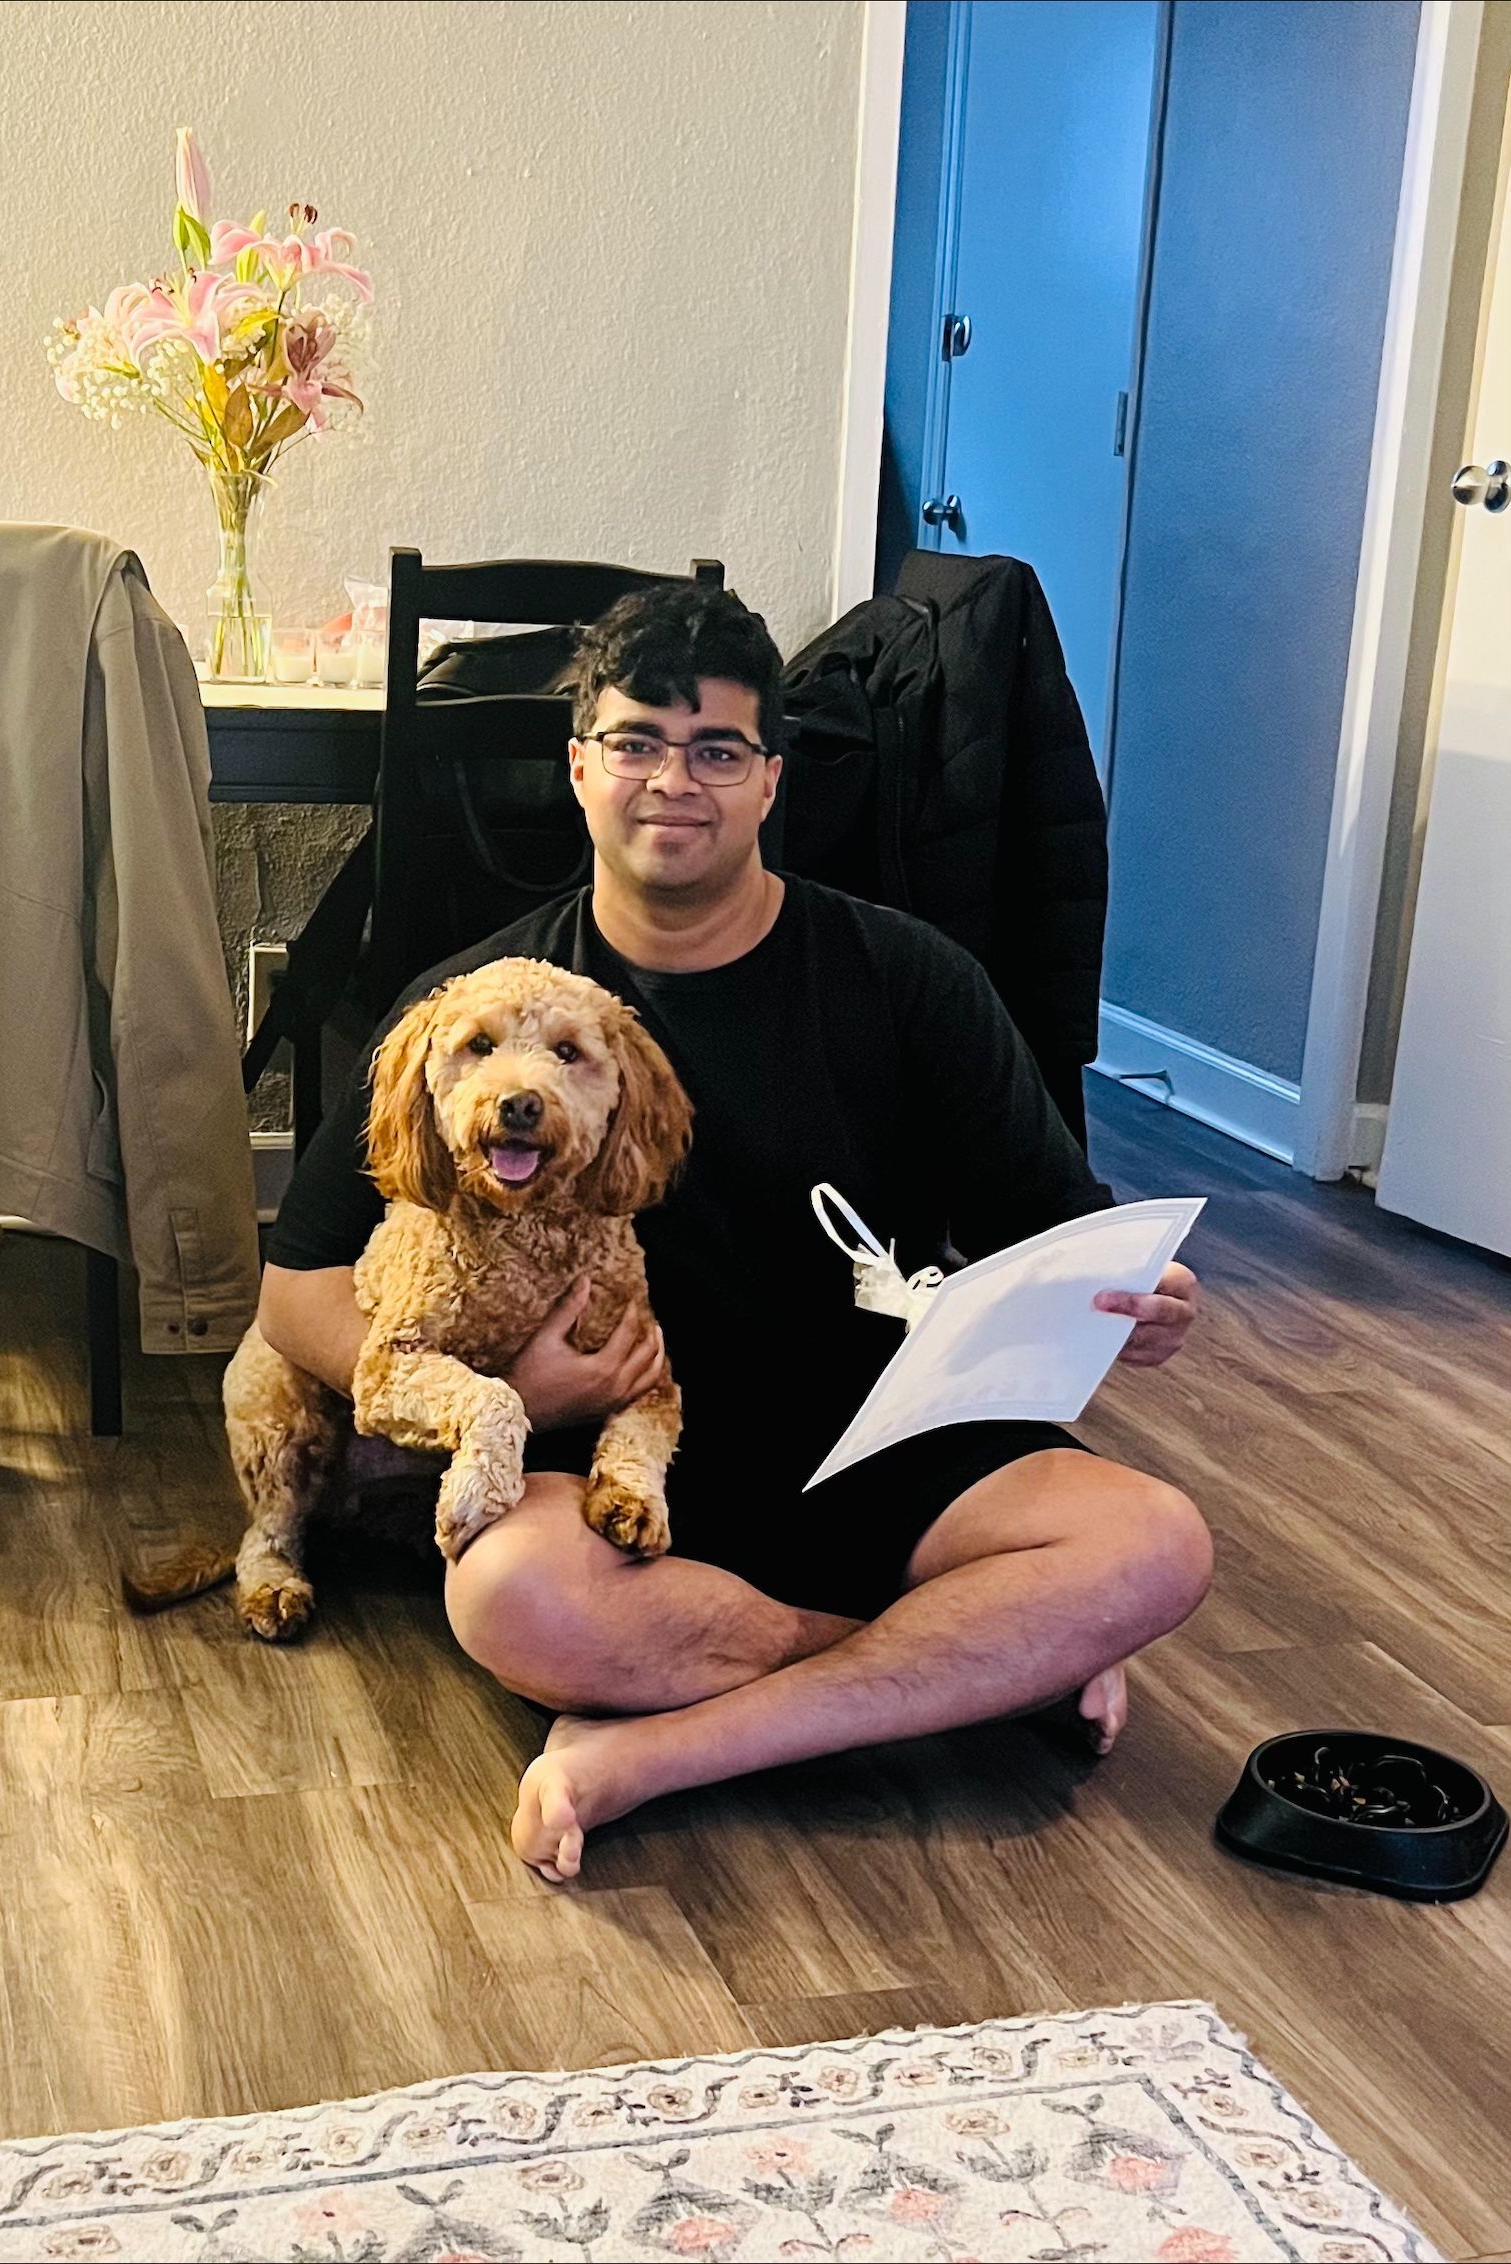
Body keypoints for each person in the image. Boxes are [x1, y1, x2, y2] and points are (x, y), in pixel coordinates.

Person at [258, 585, 1209, 1881]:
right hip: (623, 1474)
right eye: (638, 743)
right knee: (502, 1596)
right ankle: (963, 1666)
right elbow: (296, 1288)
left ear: (770, 780)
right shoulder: (474, 1010)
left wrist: (1137, 1298)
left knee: (1155, 1542)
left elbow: (1051, 1229)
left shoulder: (909, 976)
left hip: (883, 1436)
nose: (672, 782)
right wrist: (511, 1391)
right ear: (580, 766)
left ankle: (652, 1752)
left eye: (715, 751)